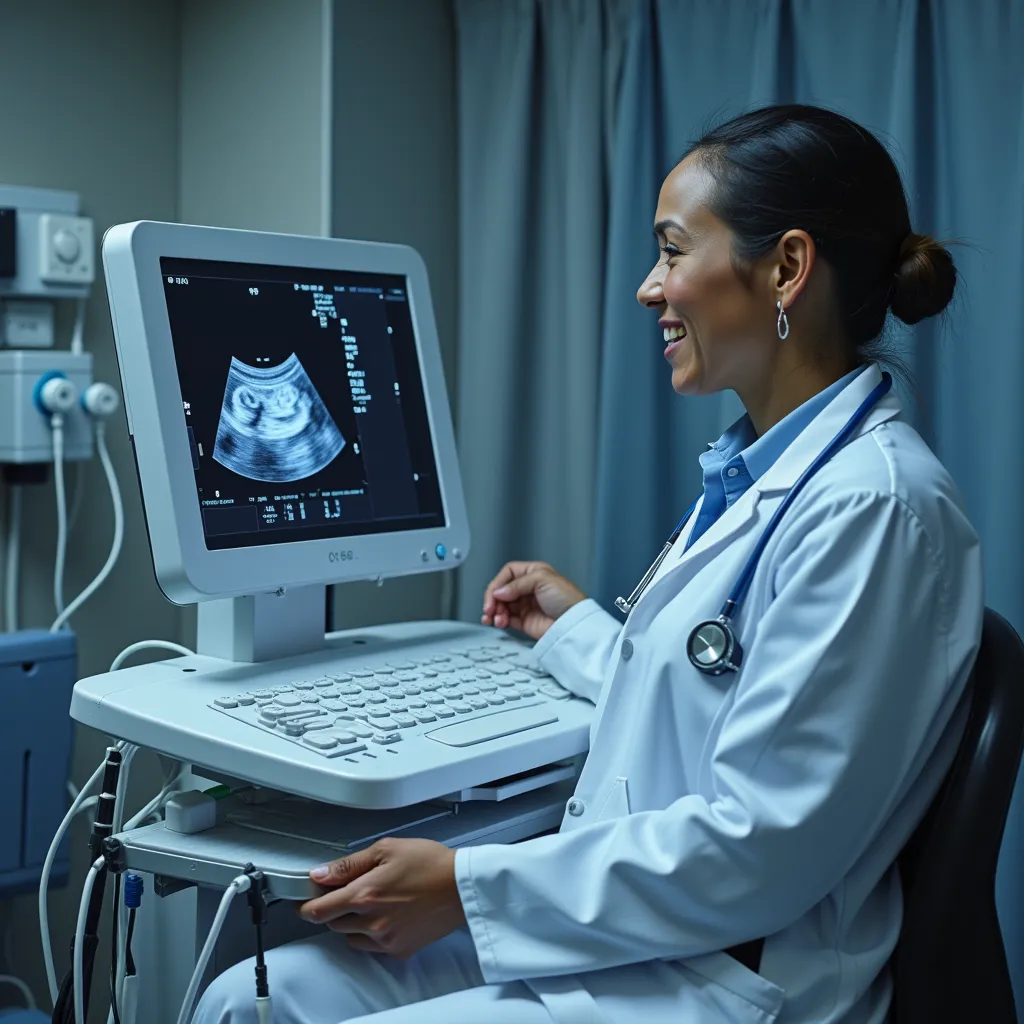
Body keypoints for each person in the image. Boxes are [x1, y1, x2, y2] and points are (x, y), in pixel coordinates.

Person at [194, 105, 983, 1024]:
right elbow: (712, 703)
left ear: (786, 267)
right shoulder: (762, 469)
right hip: (636, 932)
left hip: (723, 977)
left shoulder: (875, 507)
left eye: (674, 251)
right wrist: (575, 629)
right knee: (249, 999)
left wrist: (467, 887)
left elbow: (763, 846)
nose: (651, 289)